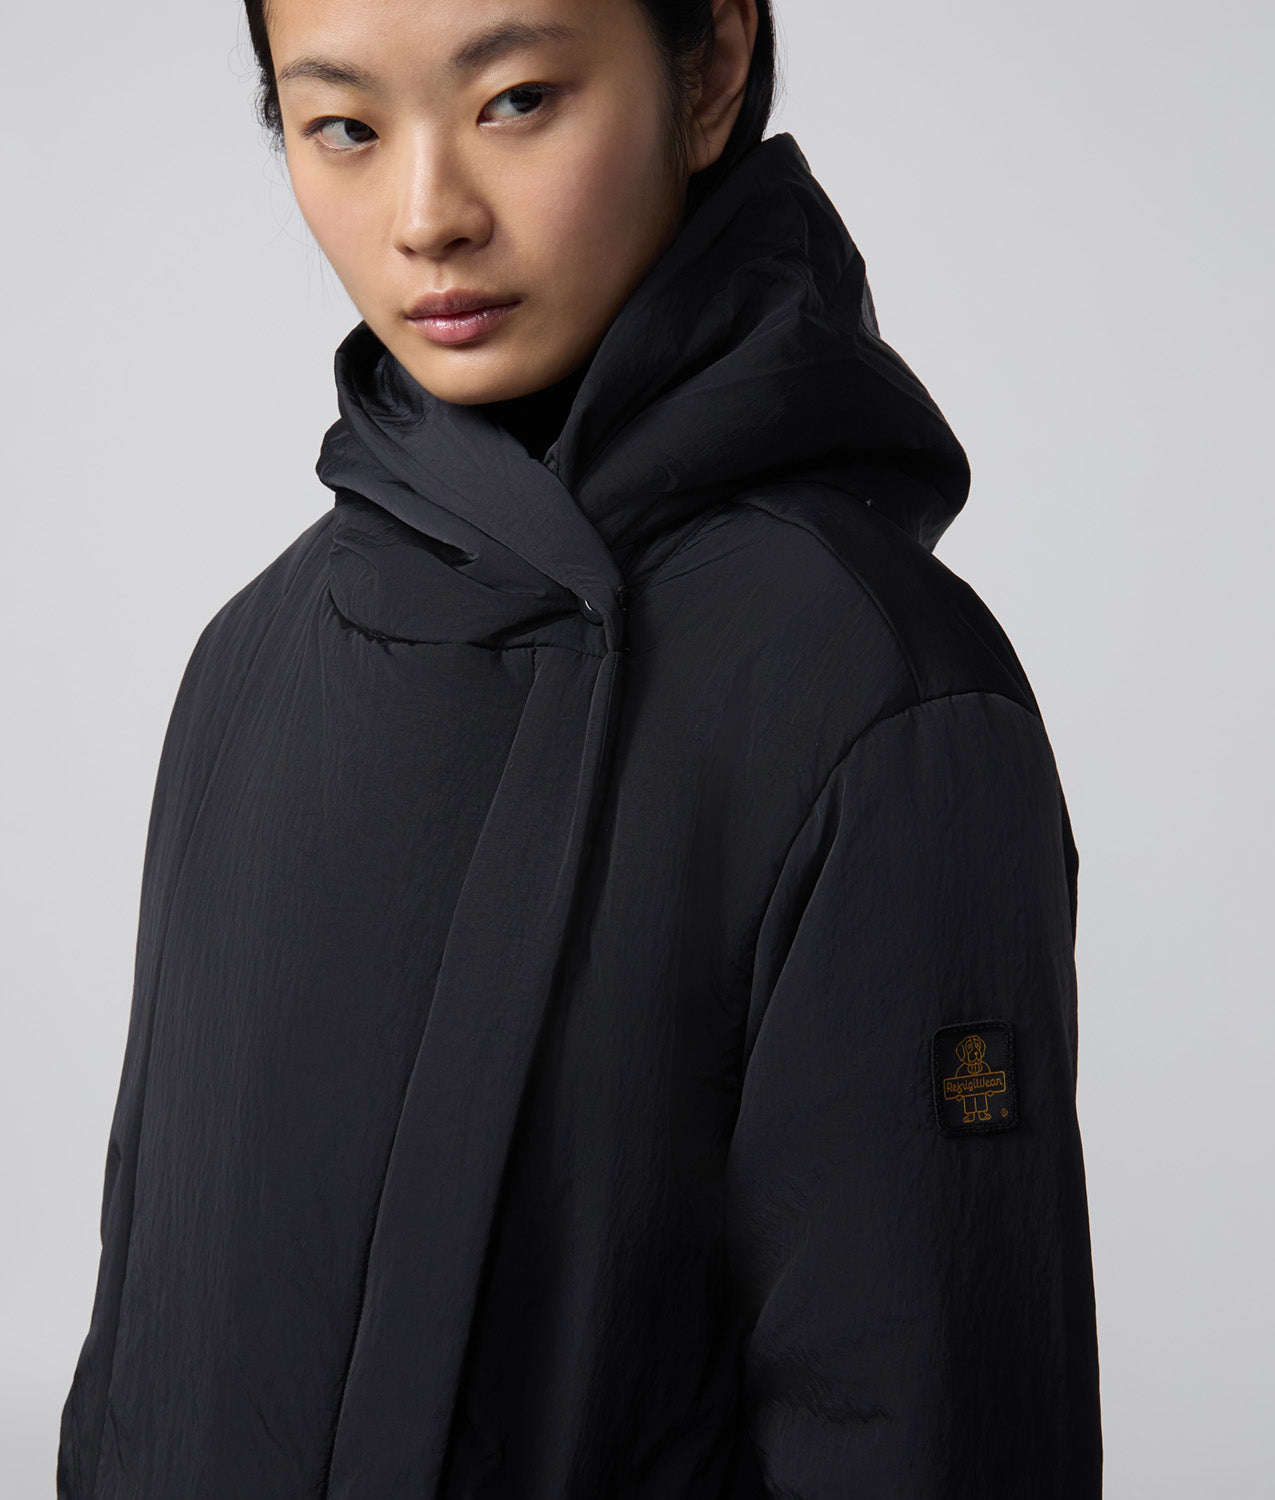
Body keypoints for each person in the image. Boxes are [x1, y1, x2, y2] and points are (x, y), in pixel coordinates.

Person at [57, 0, 1103, 1494]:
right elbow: (136, 1375)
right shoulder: (251, 659)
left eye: (518, 100)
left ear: (712, 65)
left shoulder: (879, 693)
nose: (426, 216)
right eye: (343, 126)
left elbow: (928, 1429)